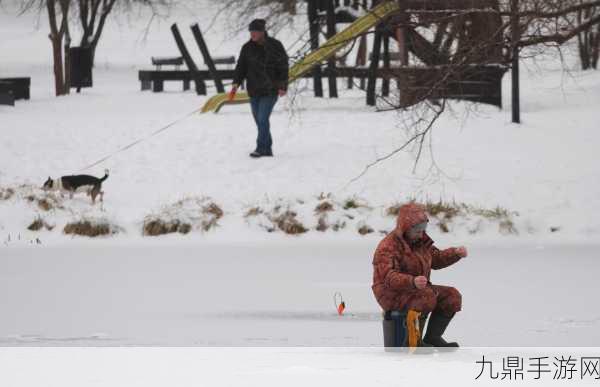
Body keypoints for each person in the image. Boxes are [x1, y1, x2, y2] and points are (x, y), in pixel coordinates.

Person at [371, 202, 468, 347]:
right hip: (390, 293)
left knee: (451, 296)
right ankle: (413, 341)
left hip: (417, 288)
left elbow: (436, 259)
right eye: (417, 229)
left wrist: (455, 253)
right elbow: (388, 277)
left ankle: (432, 337)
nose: (421, 232)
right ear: (405, 227)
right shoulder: (388, 246)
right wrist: (412, 281)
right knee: (426, 296)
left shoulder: (421, 241)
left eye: (423, 228)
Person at [231, 18, 289, 158]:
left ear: (262, 31)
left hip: (270, 89)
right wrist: (235, 84)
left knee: (263, 119)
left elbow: (283, 66)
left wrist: (282, 86)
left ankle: (260, 148)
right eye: (251, 31)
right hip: (254, 90)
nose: (253, 34)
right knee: (259, 121)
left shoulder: (275, 45)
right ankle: (267, 149)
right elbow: (241, 67)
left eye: (255, 31)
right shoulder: (247, 48)